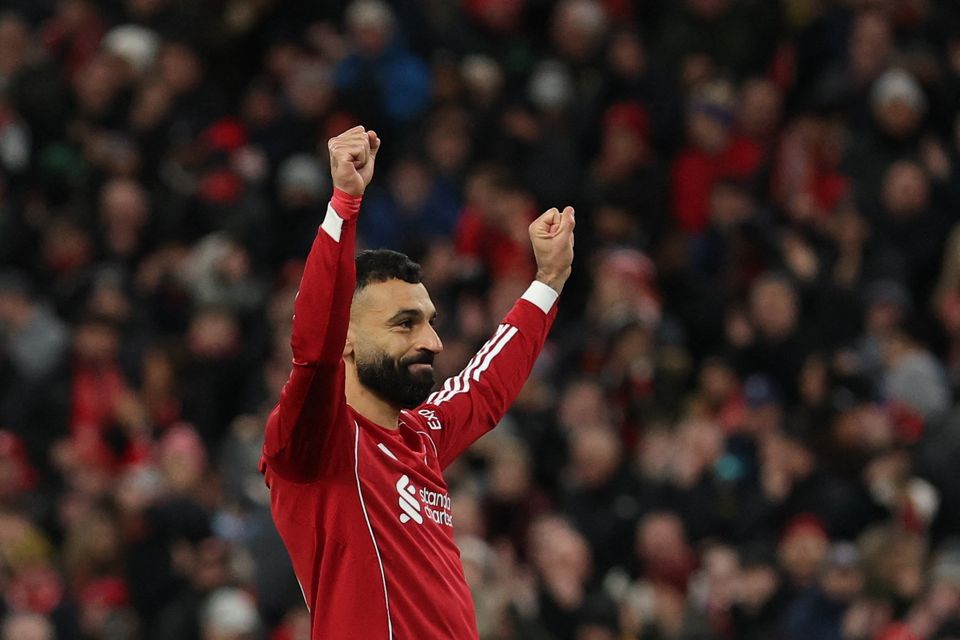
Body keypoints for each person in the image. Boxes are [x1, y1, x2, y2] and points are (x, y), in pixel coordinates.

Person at [259, 125, 575, 638]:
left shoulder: (420, 437)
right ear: (345, 337)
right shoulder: (314, 445)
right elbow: (312, 352)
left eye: (429, 321)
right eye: (405, 324)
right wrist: (344, 203)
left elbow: (483, 390)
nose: (432, 341)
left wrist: (548, 282)